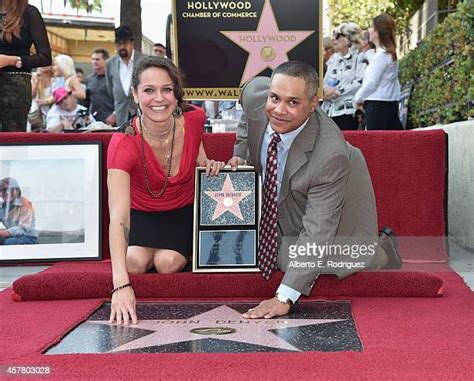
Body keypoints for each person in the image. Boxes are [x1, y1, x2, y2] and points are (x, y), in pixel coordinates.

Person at [228, 61, 401, 319]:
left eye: (293, 103)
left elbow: (318, 229)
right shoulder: (255, 95)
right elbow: (247, 122)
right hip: (285, 199)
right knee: (268, 251)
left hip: (334, 197)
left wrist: (285, 297)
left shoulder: (331, 154)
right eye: (275, 98)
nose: (279, 110)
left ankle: (381, 252)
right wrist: (241, 157)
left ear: (313, 105)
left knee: (297, 260)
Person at [107, 56, 225, 325]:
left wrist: (211, 165)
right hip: (141, 214)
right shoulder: (123, 143)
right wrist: (120, 285)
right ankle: (146, 252)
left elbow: (200, 159)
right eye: (149, 90)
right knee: (133, 263)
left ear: (176, 93)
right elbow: (118, 217)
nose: (158, 98)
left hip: (182, 210)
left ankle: (173, 250)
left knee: (167, 264)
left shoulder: (195, 119)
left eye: (167, 89)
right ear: (135, 95)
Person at [0, 0, 51, 132]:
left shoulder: (29, 13)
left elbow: (45, 57)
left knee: (11, 138)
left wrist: (11, 60)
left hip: (15, 87)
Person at [355, 14, 403, 130]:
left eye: (372, 27)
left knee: (378, 144)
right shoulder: (385, 54)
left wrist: (357, 98)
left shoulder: (382, 55)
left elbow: (371, 83)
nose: (369, 30)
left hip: (377, 106)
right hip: (386, 104)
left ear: (377, 32)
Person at [321, 23, 368, 131]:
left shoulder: (360, 58)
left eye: (337, 35)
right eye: (333, 35)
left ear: (348, 39)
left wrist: (337, 91)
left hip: (348, 112)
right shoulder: (334, 59)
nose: (334, 39)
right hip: (329, 111)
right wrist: (326, 90)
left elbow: (360, 82)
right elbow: (325, 82)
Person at [106, 25, 144, 127]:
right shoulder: (110, 64)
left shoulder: (144, 60)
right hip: (121, 117)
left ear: (132, 44)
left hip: (142, 115)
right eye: (119, 44)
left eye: (125, 43)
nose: (122, 47)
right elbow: (110, 90)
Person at [0, 177, 38, 245]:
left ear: (17, 191)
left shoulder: (25, 204)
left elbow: (22, 229)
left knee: (7, 243)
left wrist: (3, 233)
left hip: (28, 237)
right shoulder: (1, 206)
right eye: (4, 190)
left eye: (11, 189)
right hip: (12, 236)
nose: (7, 192)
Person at [86, 48, 115, 124]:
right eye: (93, 59)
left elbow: (121, 99)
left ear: (106, 61)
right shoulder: (89, 79)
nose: (94, 62)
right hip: (93, 121)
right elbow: (87, 101)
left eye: (97, 59)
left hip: (110, 120)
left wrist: (114, 115)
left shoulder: (114, 78)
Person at [29, 65, 54, 131]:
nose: (44, 65)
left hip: (48, 106)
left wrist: (46, 101)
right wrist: (37, 81)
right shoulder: (34, 76)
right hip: (35, 107)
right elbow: (32, 94)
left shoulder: (54, 78)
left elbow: (55, 95)